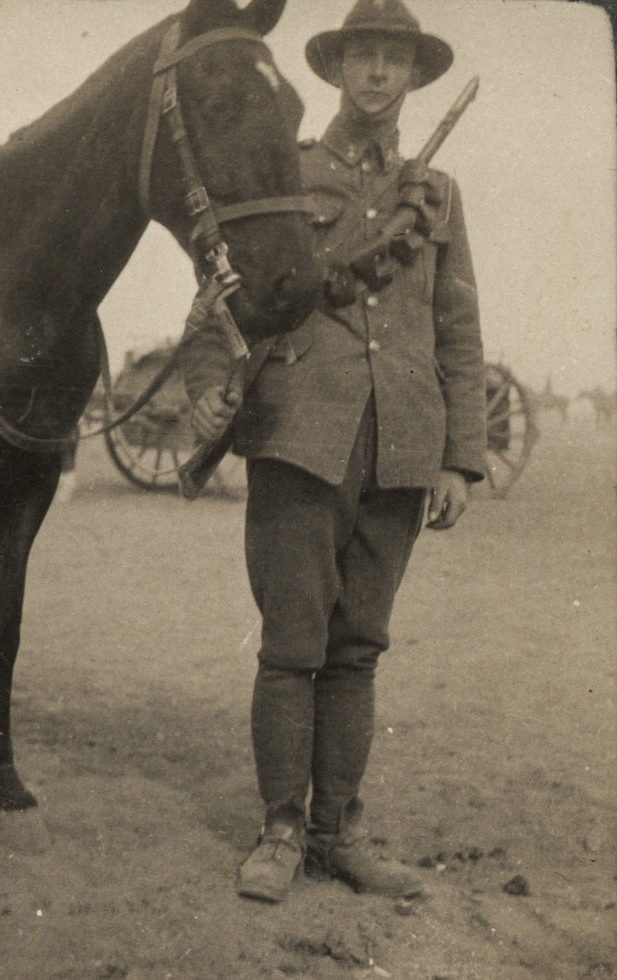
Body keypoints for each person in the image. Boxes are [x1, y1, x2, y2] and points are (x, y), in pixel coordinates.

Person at [183, 0, 486, 902]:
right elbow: (217, 298)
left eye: (395, 60)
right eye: (363, 57)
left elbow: (456, 322)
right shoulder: (292, 169)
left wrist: (459, 456)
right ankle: (278, 832)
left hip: (400, 443)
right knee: (291, 646)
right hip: (299, 436)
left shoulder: (437, 194)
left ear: (414, 76)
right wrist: (209, 386)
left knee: (358, 648)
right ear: (336, 70)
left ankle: (337, 834)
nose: (378, 74)